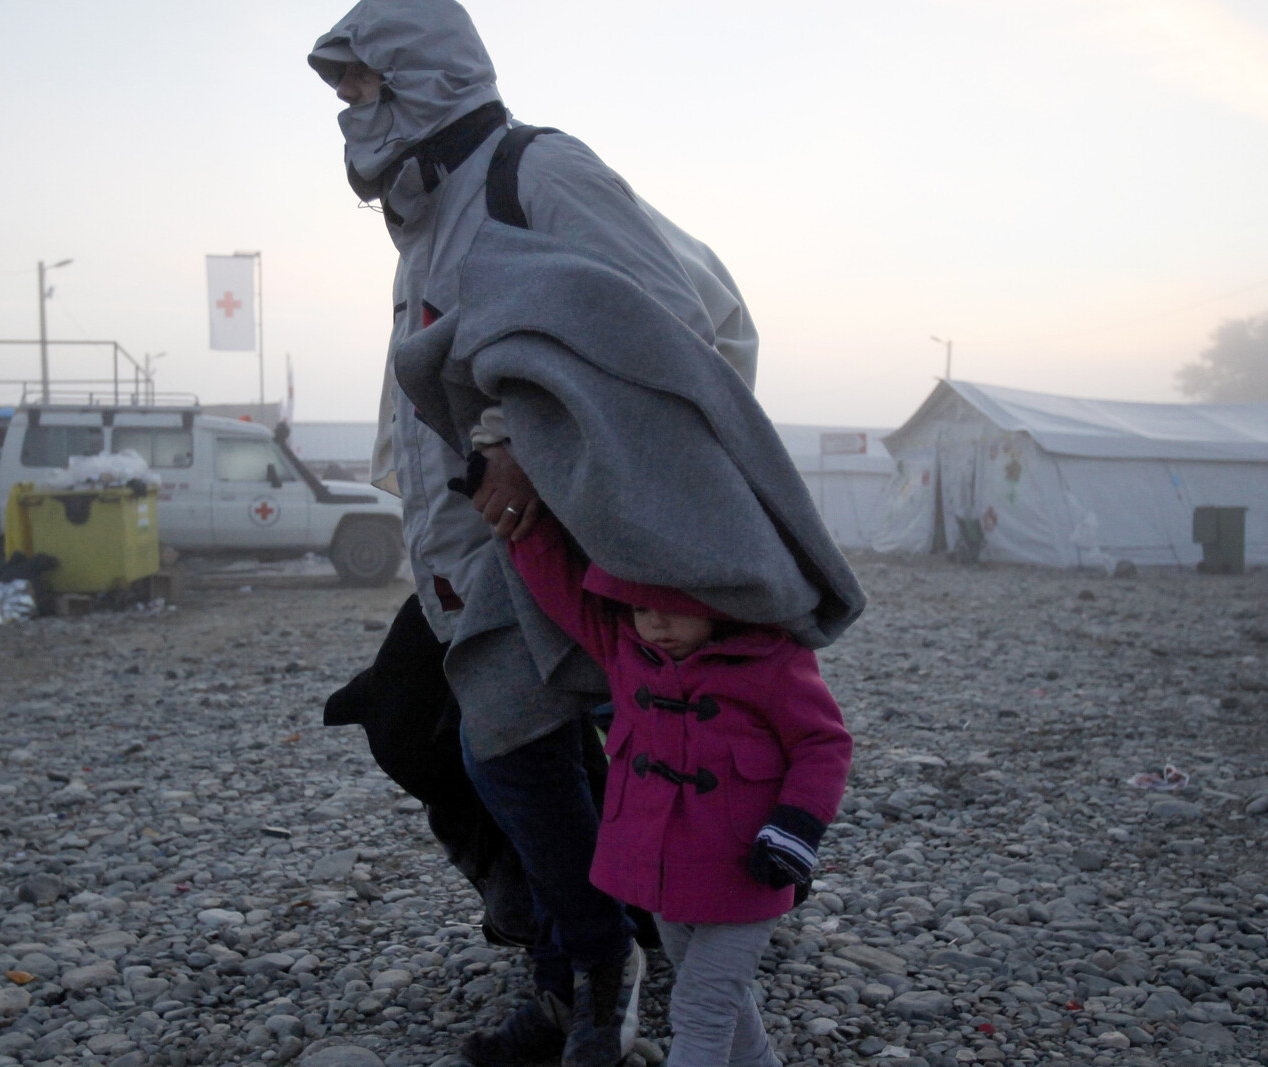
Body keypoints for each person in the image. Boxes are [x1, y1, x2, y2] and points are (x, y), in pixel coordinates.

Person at [309, 3, 864, 1064]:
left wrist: (519, 433)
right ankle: (589, 938)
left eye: (363, 89)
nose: (350, 117)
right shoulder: (426, 221)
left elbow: (661, 316)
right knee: (427, 725)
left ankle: (611, 972)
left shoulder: (539, 172)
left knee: (531, 747)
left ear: (420, 76)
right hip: (474, 547)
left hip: (562, 537)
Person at [506, 510, 853, 1066]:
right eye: (642, 608)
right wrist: (518, 523)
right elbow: (561, 592)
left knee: (700, 1008)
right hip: (658, 869)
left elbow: (824, 744)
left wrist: (796, 828)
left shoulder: (772, 661)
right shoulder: (627, 652)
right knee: (716, 994)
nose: (656, 624)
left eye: (675, 609)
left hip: (746, 871)